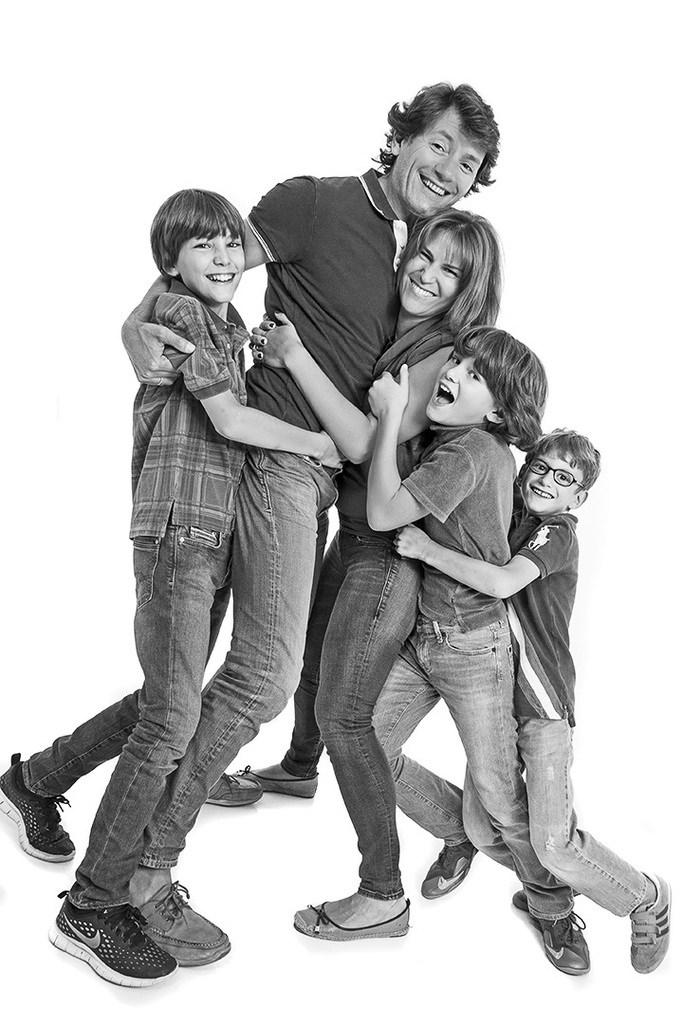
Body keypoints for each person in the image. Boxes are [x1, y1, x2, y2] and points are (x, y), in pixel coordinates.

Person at [0, 82, 501, 966]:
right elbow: (203, 261)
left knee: (181, 690)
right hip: (273, 466)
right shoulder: (316, 203)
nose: (449, 171)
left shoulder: (425, 257)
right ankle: (141, 876)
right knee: (259, 681)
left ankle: (37, 780)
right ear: (401, 138)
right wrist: (136, 321)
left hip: (305, 481)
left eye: (468, 165)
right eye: (439, 146)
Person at [0, 188, 340, 988]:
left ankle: (34, 780)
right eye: (201, 245)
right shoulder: (180, 311)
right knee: (171, 717)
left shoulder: (224, 320)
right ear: (169, 261)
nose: (223, 256)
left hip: (211, 535)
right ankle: (93, 905)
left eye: (229, 243)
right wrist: (317, 442)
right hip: (179, 532)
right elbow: (229, 421)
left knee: (165, 701)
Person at [292, 327, 575, 946]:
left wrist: (392, 414)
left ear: (498, 412)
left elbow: (383, 514)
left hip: (471, 645)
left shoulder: (468, 452)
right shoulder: (462, 444)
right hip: (427, 635)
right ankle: (453, 829)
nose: (455, 373)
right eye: (461, 362)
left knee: (499, 796)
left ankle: (552, 907)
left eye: (476, 376)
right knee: (368, 742)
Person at [237, 207, 503, 805]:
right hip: (354, 528)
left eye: (450, 271)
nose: (427, 274)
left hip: (386, 545)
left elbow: (360, 441)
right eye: (424, 256)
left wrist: (295, 355)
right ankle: (299, 766)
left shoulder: (439, 352)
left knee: (344, 709)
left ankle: (422, 844)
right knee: (310, 654)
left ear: (469, 290)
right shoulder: (393, 327)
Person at [383, 430, 671, 975]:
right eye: (540, 467)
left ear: (578, 498)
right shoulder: (504, 512)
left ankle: (641, 898)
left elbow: (500, 583)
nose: (546, 481)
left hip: (541, 708)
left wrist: (426, 549)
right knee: (479, 825)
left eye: (564, 478)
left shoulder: (556, 534)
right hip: (491, 690)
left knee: (554, 842)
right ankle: (504, 859)